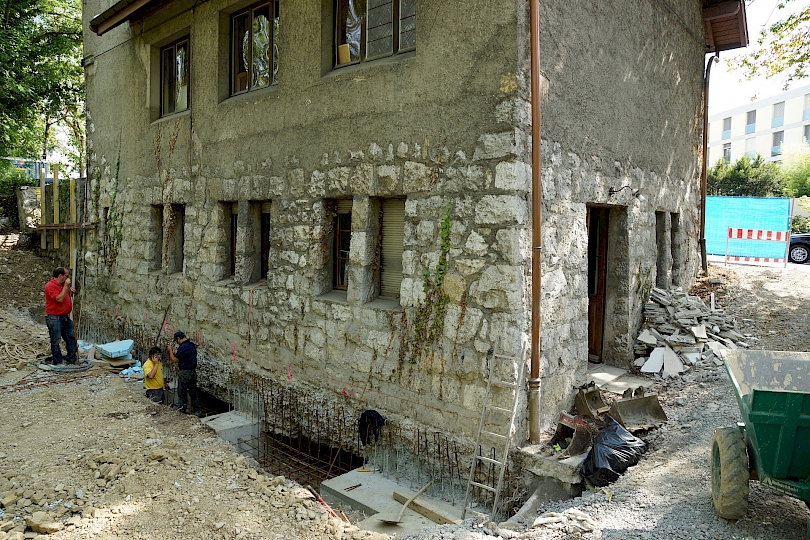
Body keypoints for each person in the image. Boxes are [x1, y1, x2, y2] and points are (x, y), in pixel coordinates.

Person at [44, 267, 78, 365]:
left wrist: (70, 292)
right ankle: (57, 361)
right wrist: (66, 286)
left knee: (71, 337)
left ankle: (71, 358)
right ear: (60, 276)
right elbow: (59, 299)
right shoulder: (50, 286)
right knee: (56, 340)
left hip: (64, 316)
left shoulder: (62, 285)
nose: (68, 278)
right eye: (66, 276)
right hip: (54, 318)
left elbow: (65, 296)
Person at [167, 331, 200, 416]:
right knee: (193, 393)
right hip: (193, 372)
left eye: (176, 341)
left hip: (184, 373)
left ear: (178, 339)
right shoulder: (192, 345)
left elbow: (174, 360)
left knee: (182, 393)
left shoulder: (182, 347)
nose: (176, 343)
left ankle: (182, 412)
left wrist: (170, 351)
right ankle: (197, 411)